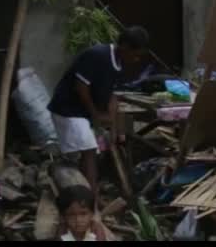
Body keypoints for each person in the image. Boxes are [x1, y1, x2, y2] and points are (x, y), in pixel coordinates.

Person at [48, 27, 150, 195]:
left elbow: (113, 97)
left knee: (90, 152)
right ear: (123, 46)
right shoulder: (97, 55)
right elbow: (81, 87)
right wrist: (96, 115)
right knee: (89, 151)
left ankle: (84, 195)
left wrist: (114, 128)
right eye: (134, 54)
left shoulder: (120, 65)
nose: (136, 59)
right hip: (68, 109)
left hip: (85, 113)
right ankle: (92, 200)